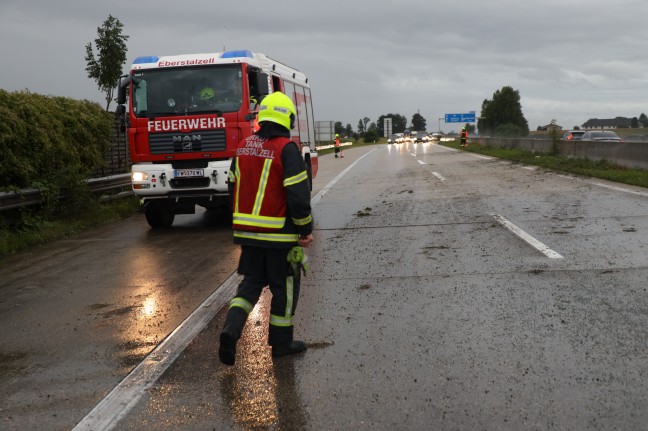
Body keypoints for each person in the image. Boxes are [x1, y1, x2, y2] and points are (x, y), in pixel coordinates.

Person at [219, 91, 314, 366]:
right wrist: (304, 228)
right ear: (287, 118)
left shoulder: (243, 148)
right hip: (280, 237)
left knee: (249, 287)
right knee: (285, 288)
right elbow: (298, 196)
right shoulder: (287, 149)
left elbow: (232, 188)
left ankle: (230, 330)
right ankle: (282, 344)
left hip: (248, 236)